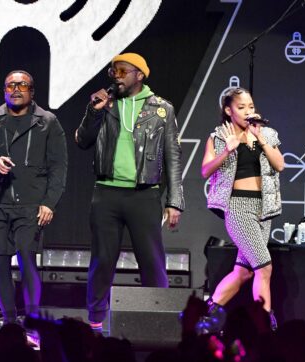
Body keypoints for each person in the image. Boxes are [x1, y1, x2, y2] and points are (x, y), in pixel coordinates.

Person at [75, 53, 185, 328]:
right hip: (106, 193)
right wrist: (94, 112)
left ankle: (160, 320)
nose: (116, 76)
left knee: (152, 262)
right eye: (114, 71)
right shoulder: (105, 105)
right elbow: (82, 140)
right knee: (102, 261)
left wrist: (175, 201)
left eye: (123, 71)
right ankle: (96, 321)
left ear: (140, 75)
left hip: (144, 194)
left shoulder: (161, 109)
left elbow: (172, 155)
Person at [0, 70, 67, 323]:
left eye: (22, 85)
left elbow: (59, 166)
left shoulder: (47, 121)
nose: (16, 89)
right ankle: (9, 322)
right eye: (10, 85)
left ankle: (31, 320)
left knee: (27, 258)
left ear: (32, 91)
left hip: (31, 205)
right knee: (0, 263)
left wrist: (49, 202)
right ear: (4, 90)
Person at [201, 87, 284, 330]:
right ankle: (264, 324)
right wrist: (228, 149)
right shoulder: (218, 136)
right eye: (241, 107)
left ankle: (206, 313)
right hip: (238, 207)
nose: (248, 111)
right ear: (228, 110)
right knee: (264, 267)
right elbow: (206, 170)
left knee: (244, 272)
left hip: (263, 208)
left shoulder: (266, 133)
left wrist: (261, 139)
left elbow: (280, 165)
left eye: (251, 106)